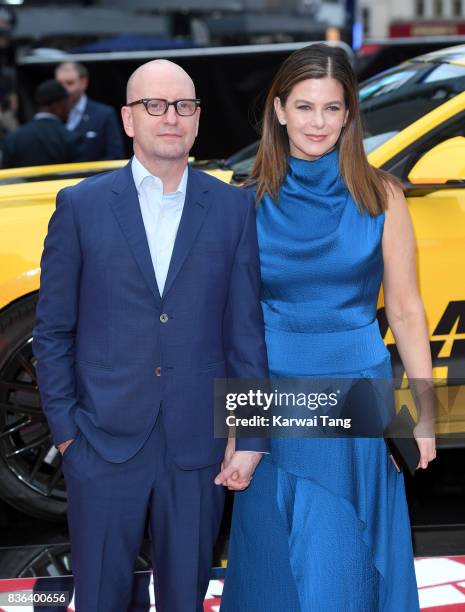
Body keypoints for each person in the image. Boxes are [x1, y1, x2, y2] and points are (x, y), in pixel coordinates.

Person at [33, 59, 268, 612]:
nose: (170, 117)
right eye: (154, 106)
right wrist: (67, 432)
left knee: (185, 597)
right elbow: (52, 331)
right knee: (99, 597)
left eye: (183, 106)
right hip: (101, 441)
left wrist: (251, 435)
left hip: (198, 446)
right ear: (128, 119)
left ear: (197, 118)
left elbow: (245, 331)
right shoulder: (81, 206)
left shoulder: (232, 207)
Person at [221, 43, 436, 611]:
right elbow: (234, 325)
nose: (318, 122)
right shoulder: (244, 203)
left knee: (345, 550)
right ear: (280, 109)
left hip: (358, 391)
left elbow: (407, 309)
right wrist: (237, 429)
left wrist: (423, 415)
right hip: (274, 390)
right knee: (274, 550)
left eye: (332, 109)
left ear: (348, 115)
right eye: (306, 107)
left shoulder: (382, 194)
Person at [2, 79, 82, 168]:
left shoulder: (12, 139)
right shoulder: (71, 139)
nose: (69, 109)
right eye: (67, 103)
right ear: (58, 106)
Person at [55, 61, 125, 161]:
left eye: (70, 83)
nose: (63, 89)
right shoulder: (49, 115)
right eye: (59, 84)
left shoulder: (104, 114)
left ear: (84, 83)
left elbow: (115, 155)